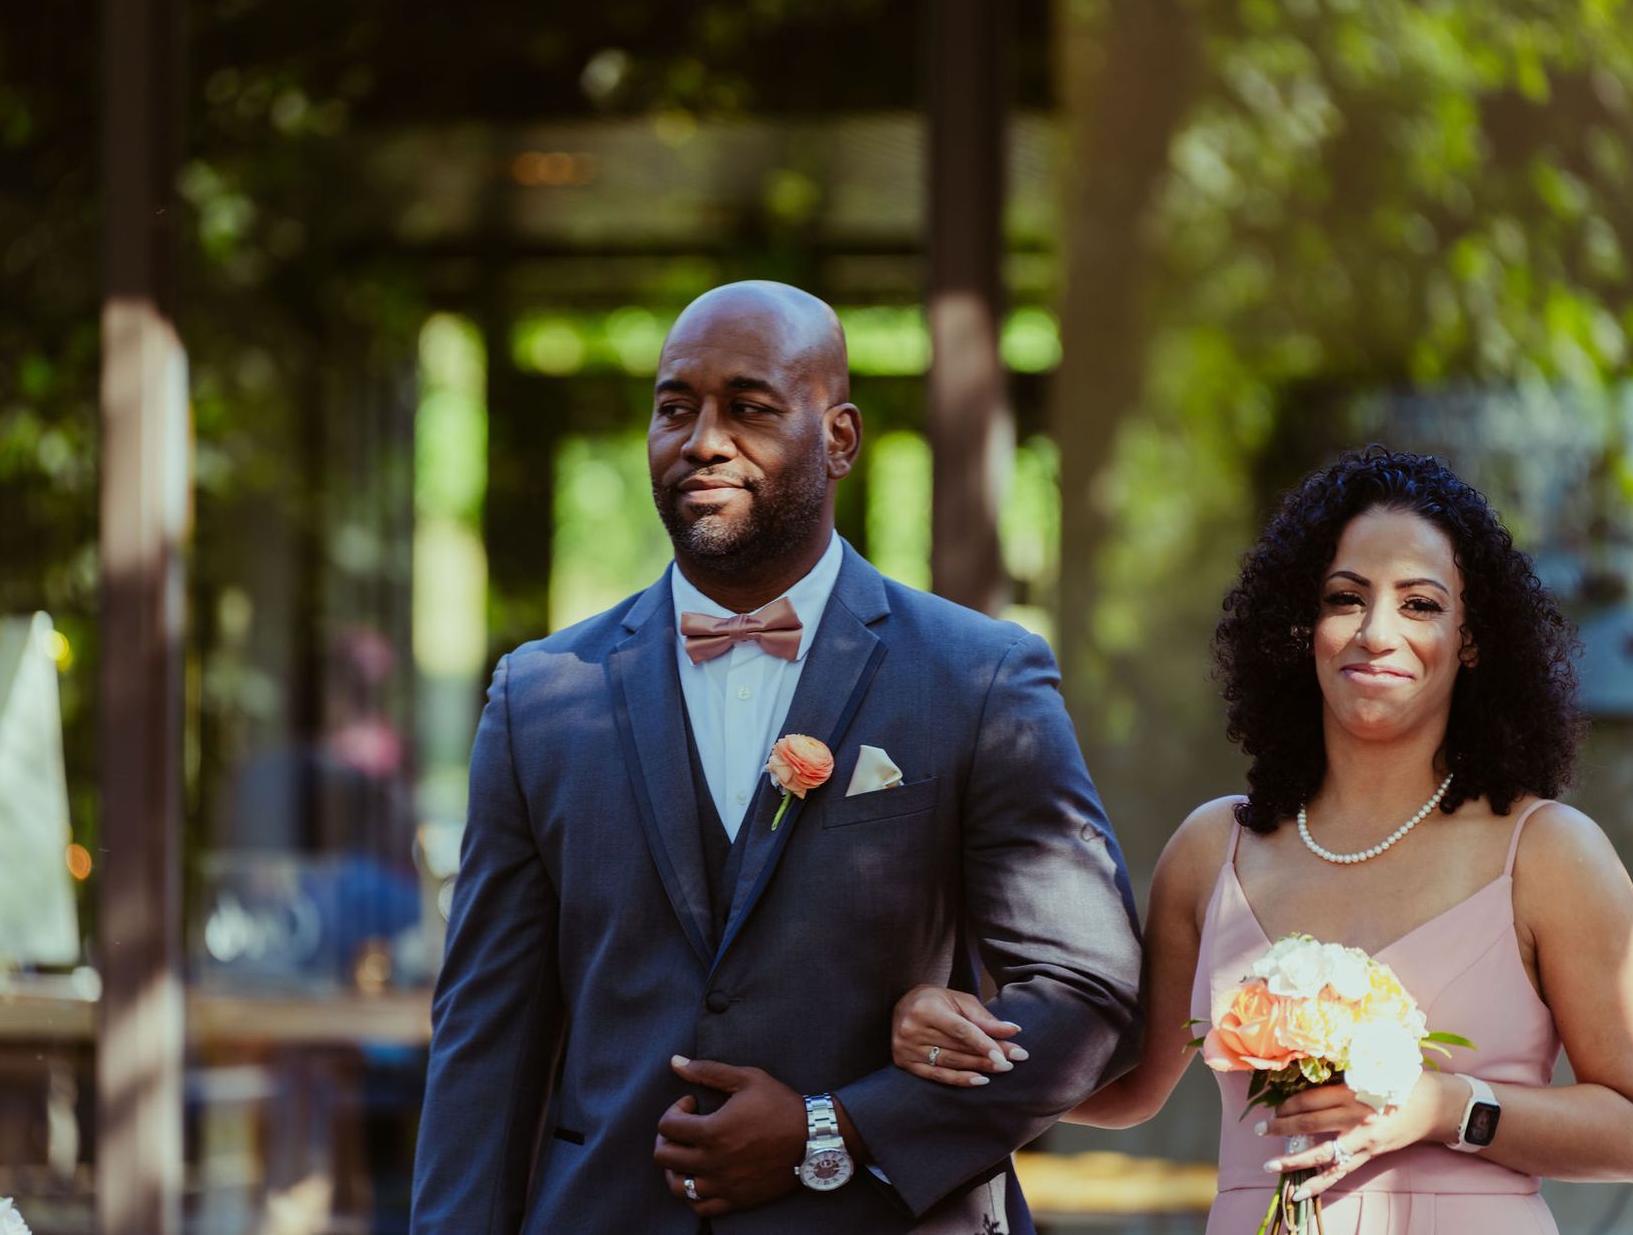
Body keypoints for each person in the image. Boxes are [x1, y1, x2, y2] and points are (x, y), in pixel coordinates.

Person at [411, 280, 1144, 1233]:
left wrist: (835, 1129)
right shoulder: (542, 696)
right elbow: (487, 1039)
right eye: (676, 408)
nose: (702, 440)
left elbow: (1088, 996)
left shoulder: (979, 679)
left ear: (840, 438)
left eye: (749, 408)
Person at [892, 448, 1633, 1232]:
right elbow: (1124, 1088)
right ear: (1303, 627)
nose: (1376, 633)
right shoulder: (1213, 849)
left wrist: (1448, 1106)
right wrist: (956, 1038)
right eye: (1346, 598)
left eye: (1420, 605)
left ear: (1472, 640)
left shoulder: (1547, 853)